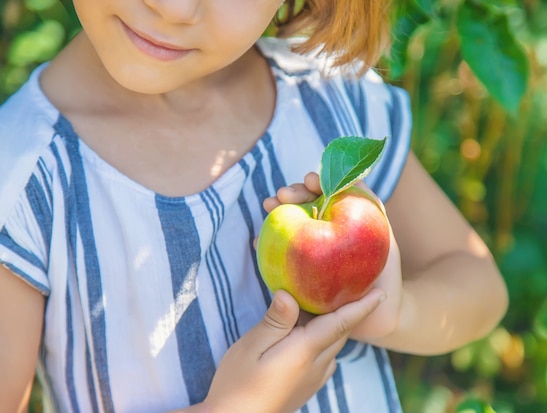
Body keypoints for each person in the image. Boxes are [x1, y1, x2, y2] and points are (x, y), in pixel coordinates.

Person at [0, 0, 509, 411]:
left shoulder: (328, 96)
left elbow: (478, 283)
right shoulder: (23, 177)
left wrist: (395, 312)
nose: (175, 8)